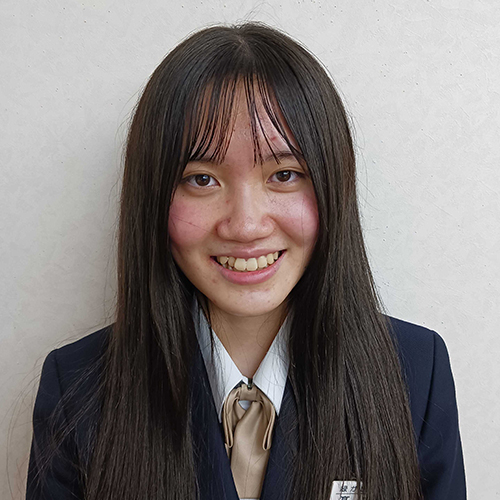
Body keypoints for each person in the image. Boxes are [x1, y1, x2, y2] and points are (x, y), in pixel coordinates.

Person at [25, 22, 466, 500]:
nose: (246, 225)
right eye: (201, 179)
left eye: (284, 174)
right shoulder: (77, 389)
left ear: (332, 185)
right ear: (152, 197)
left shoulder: (415, 374)